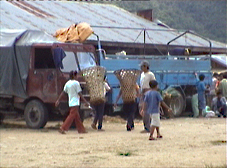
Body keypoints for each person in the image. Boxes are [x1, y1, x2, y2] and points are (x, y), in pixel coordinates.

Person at [139, 60, 156, 133]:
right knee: (141, 109)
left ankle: (148, 127)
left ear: (146, 67)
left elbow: (154, 84)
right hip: (142, 93)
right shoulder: (142, 74)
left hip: (148, 93)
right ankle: (145, 126)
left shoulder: (151, 74)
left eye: (142, 66)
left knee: (146, 111)